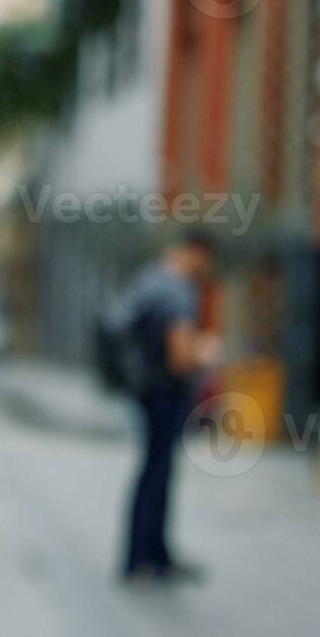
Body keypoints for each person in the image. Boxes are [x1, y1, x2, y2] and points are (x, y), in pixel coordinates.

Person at [119, 226, 221, 584]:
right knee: (158, 474)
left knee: (151, 472)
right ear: (197, 252)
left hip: (144, 391)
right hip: (165, 393)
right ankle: (149, 559)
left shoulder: (149, 279)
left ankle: (144, 555)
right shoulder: (178, 293)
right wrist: (204, 353)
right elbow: (180, 358)